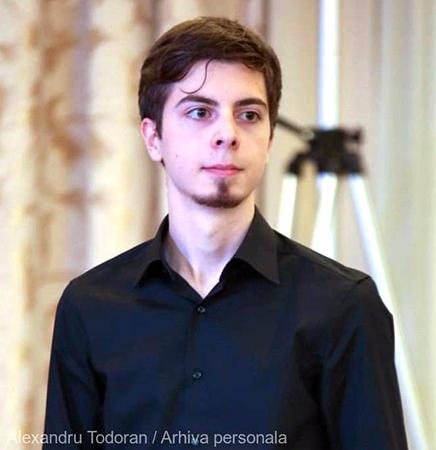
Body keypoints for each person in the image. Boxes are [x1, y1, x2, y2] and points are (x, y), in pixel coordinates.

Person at [43, 16, 408, 449]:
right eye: (200, 112)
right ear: (153, 137)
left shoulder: (344, 305)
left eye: (249, 115)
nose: (227, 135)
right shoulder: (89, 307)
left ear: (269, 139)